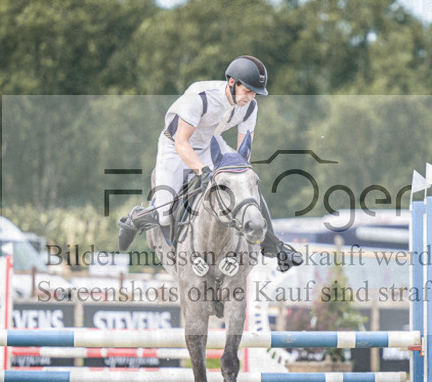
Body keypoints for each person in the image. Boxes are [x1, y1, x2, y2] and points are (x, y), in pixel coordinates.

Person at [117, 55, 303, 272]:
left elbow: (244, 155)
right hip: (174, 147)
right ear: (232, 83)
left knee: (245, 182)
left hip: (210, 145)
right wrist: (203, 172)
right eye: (247, 91)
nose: (251, 97)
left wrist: (239, 175)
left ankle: (275, 247)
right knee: (165, 213)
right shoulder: (200, 96)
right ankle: (136, 217)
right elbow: (182, 142)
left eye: (255, 93)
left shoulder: (251, 107)